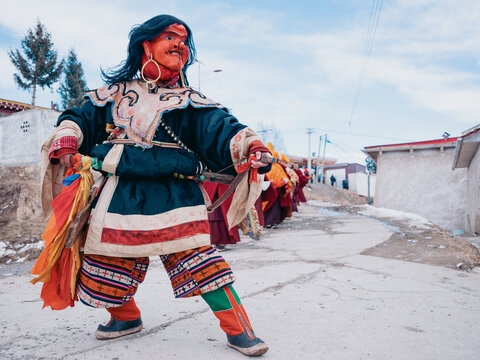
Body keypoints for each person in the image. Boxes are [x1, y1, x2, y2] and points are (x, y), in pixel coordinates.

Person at [37, 15, 271, 357]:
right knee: (103, 265)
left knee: (203, 266)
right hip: (119, 193)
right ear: (146, 44)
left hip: (176, 193)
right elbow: (77, 118)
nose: (180, 45)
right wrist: (68, 142)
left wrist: (251, 146)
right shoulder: (111, 95)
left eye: (185, 41)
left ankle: (240, 331)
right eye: (171, 37)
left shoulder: (190, 100)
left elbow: (221, 128)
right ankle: (126, 318)